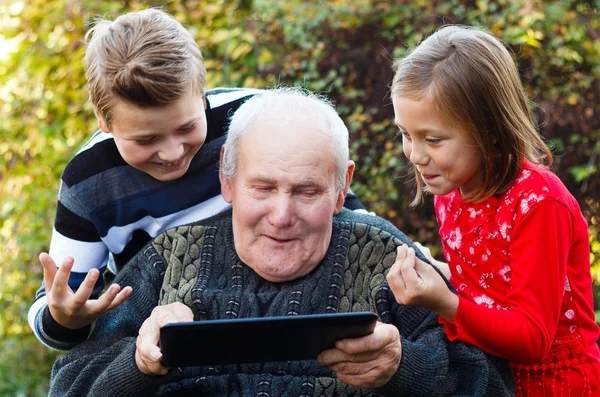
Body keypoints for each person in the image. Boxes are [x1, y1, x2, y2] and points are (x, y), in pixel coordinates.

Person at [48, 88, 514, 396]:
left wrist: (403, 368)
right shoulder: (167, 260)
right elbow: (67, 386)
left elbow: (493, 382)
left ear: (340, 187)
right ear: (227, 180)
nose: (282, 215)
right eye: (263, 188)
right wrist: (138, 362)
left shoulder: (390, 263)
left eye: (307, 191)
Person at [28, 8, 366, 351]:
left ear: (201, 94)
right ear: (104, 119)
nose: (173, 152)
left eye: (187, 127)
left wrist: (389, 245)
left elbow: (323, 187)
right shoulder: (87, 183)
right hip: (170, 332)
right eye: (145, 140)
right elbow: (53, 305)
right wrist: (65, 319)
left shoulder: (251, 119)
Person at [386, 25, 600, 396]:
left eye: (433, 139)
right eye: (406, 134)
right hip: (488, 374)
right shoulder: (452, 190)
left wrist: (445, 302)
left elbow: (533, 339)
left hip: (553, 385)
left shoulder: (539, 203)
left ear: (488, 130)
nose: (416, 155)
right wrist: (435, 271)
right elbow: (492, 284)